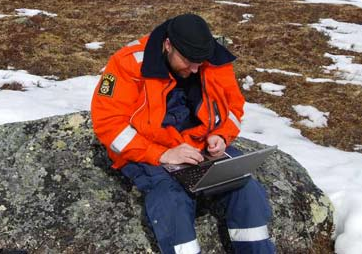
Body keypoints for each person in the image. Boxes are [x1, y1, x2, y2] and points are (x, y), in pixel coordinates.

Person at [91, 13, 275, 254]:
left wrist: (221, 135)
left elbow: (233, 108)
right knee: (171, 199)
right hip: (149, 148)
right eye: (189, 61)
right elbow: (108, 123)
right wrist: (162, 155)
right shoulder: (128, 63)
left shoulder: (213, 58)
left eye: (201, 61)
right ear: (168, 45)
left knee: (245, 188)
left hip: (199, 145)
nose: (196, 67)